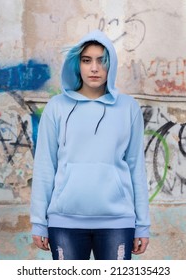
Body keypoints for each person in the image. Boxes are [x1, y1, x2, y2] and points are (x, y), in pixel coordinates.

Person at [30, 29, 150, 260]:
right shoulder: (57, 107)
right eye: (87, 61)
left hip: (117, 221)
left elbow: (136, 167)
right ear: (78, 64)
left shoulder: (128, 108)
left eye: (101, 61)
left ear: (111, 65)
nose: (94, 68)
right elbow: (45, 165)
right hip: (64, 222)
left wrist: (142, 224)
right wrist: (38, 222)